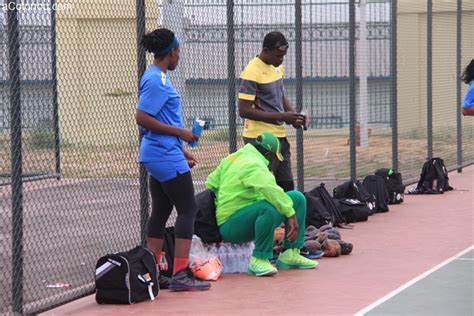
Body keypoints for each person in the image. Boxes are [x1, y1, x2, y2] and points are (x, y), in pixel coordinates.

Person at [136, 28, 210, 291]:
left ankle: (153, 272)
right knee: (188, 209)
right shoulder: (157, 80)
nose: (179, 57)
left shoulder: (157, 76)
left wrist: (180, 149)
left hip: (163, 153)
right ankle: (180, 274)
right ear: (172, 52)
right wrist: (181, 133)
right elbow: (142, 117)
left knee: (162, 210)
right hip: (162, 154)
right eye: (179, 53)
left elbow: (160, 119)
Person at [205, 132, 318, 276]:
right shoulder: (254, 164)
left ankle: (290, 253)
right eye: (275, 158)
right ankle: (259, 259)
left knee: (297, 198)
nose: (274, 163)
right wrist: (290, 214)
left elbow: (211, 183)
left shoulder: (234, 157)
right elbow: (269, 188)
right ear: (268, 154)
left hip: (244, 216)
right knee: (268, 208)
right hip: (230, 226)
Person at [238, 31, 307, 192]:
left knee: (287, 187)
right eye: (278, 56)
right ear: (266, 51)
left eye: (283, 56)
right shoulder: (251, 72)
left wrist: (294, 117)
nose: (281, 59)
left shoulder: (277, 67)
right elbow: (244, 110)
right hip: (260, 140)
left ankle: (288, 218)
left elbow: (279, 96)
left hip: (280, 137)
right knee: (263, 189)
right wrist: (283, 116)